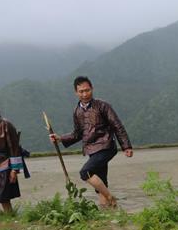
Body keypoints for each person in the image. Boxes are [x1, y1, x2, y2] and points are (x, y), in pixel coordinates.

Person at [49, 76, 133, 207]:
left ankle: (111, 197)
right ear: (76, 93)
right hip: (91, 150)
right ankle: (107, 213)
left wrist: (126, 146)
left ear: (92, 89)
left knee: (85, 172)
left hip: (106, 146)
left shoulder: (102, 106)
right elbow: (78, 133)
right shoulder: (77, 111)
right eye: (81, 91)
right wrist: (60, 138)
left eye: (87, 90)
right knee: (101, 182)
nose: (85, 94)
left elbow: (117, 125)